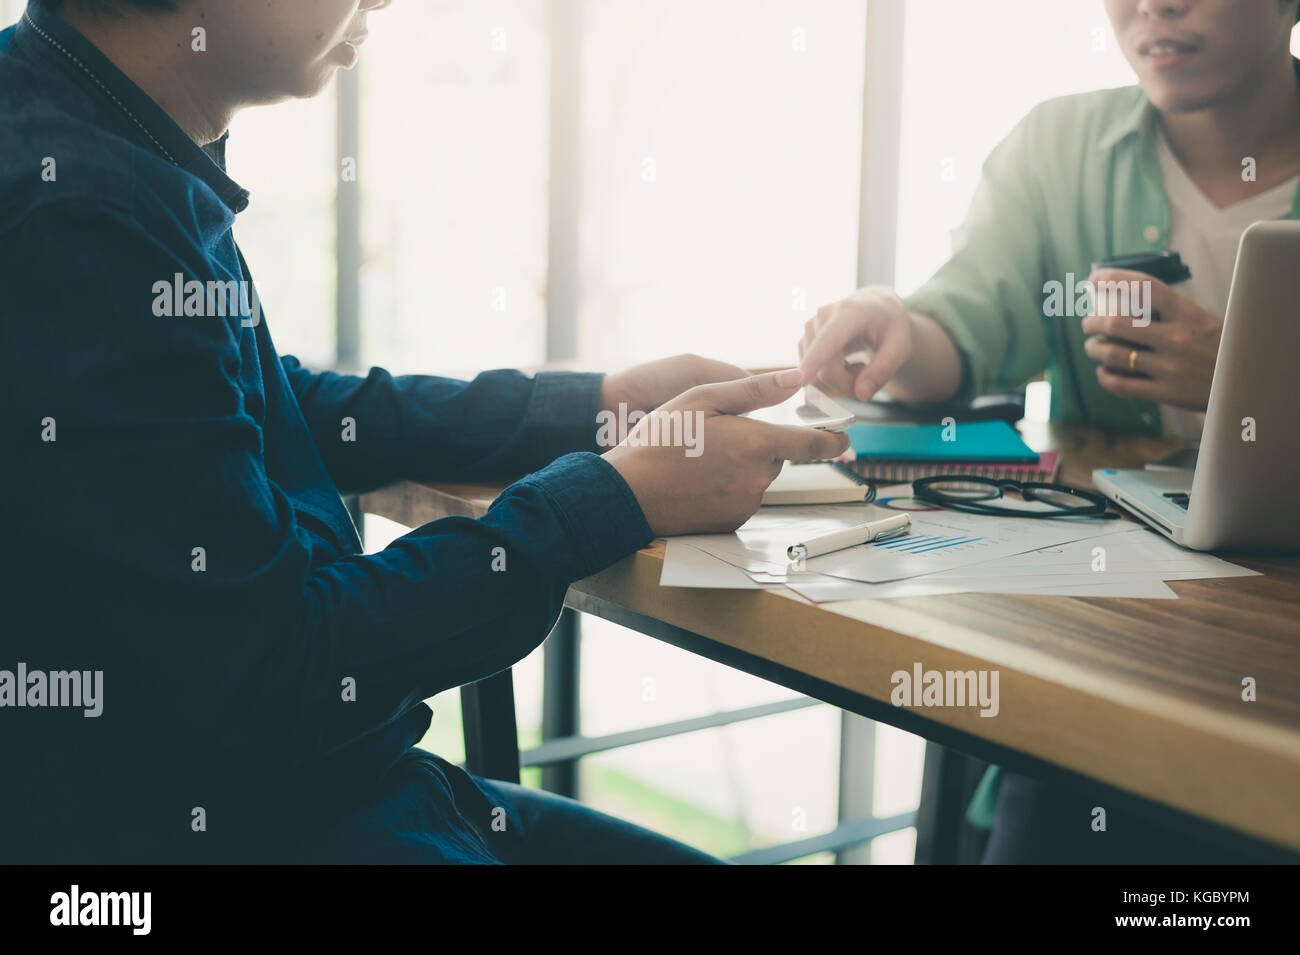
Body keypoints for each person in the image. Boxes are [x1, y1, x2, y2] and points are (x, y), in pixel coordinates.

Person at [0, 0, 849, 864]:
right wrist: (609, 499)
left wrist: (591, 406)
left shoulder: (64, 118)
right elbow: (277, 675)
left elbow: (256, 405)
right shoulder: (82, 219)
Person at [798, 0, 1300, 863]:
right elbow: (967, 324)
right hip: (1110, 649)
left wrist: (1246, 373)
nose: (1153, 6)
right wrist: (899, 326)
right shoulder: (1057, 148)